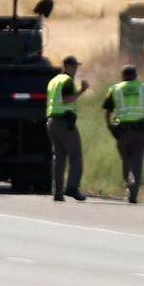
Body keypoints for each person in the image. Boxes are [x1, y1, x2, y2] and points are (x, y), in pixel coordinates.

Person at [104, 63, 144, 204]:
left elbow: (107, 112)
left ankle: (128, 182)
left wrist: (110, 127)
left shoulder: (115, 89)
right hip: (140, 132)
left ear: (122, 76)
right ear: (136, 76)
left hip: (123, 132)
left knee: (126, 161)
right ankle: (133, 193)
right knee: (137, 163)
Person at [45, 55, 87, 201]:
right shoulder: (67, 81)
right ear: (66, 66)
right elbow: (66, 99)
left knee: (59, 157)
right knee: (75, 155)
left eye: (76, 66)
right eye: (73, 66)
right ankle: (72, 187)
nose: (75, 69)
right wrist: (82, 90)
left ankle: (57, 192)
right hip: (64, 122)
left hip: (52, 121)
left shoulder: (54, 81)